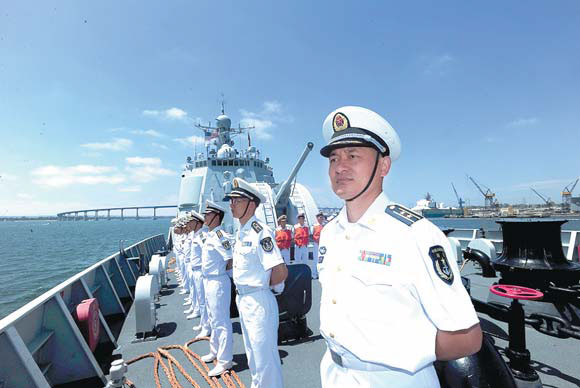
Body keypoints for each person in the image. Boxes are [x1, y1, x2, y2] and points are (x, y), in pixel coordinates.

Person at [317, 106, 482, 387]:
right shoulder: (330, 233)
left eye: (353, 155)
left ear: (384, 166)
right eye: (334, 158)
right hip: (334, 374)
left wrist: (393, 352)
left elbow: (467, 337)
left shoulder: (415, 235)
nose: (340, 167)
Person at [226, 177, 288, 388]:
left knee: (265, 361)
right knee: (253, 356)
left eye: (237, 200)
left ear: (251, 204)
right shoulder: (241, 231)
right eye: (231, 200)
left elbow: (280, 272)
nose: (232, 204)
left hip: (258, 301)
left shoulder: (259, 231)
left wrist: (261, 287)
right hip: (243, 300)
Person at [198, 200, 234, 377]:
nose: (205, 217)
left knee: (221, 322)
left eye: (207, 214)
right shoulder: (210, 234)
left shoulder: (220, 235)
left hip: (218, 282)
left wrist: (219, 273)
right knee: (213, 319)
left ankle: (225, 361)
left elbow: (230, 259)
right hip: (208, 281)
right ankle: (214, 351)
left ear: (216, 216)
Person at [184, 211, 205, 321]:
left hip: (200, 271)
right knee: (198, 295)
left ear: (197, 222)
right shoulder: (195, 235)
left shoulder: (202, 236)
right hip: (194, 269)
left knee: (202, 300)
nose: (188, 224)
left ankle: (206, 325)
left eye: (190, 222)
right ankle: (203, 322)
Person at [311, 211, 326, 279]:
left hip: (323, 245)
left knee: (322, 260)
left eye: (322, 217)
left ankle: (321, 274)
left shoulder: (325, 226)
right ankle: (314, 274)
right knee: (315, 260)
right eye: (319, 217)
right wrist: (315, 241)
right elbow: (311, 235)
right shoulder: (314, 226)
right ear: (317, 218)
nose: (321, 218)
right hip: (316, 244)